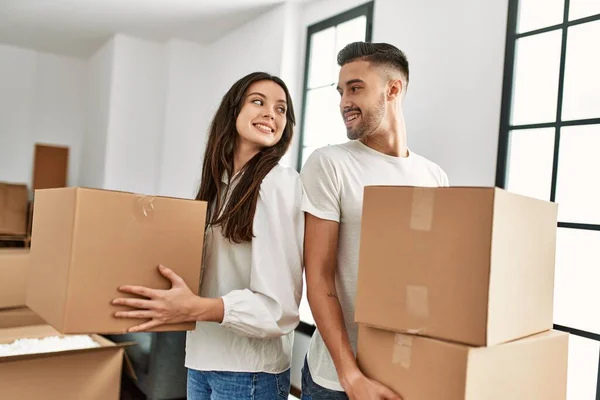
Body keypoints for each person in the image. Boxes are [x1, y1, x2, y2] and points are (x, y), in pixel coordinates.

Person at [112, 72, 304, 400]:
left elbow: (279, 308)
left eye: (281, 109)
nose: (272, 113)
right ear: (232, 112)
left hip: (249, 370)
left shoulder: (279, 183)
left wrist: (194, 308)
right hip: (202, 357)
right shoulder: (217, 187)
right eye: (258, 102)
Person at [300, 42, 449, 400]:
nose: (343, 103)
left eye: (355, 88)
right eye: (340, 92)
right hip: (338, 381)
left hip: (404, 375)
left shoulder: (434, 176)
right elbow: (318, 278)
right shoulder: (330, 164)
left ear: (393, 89)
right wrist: (350, 375)